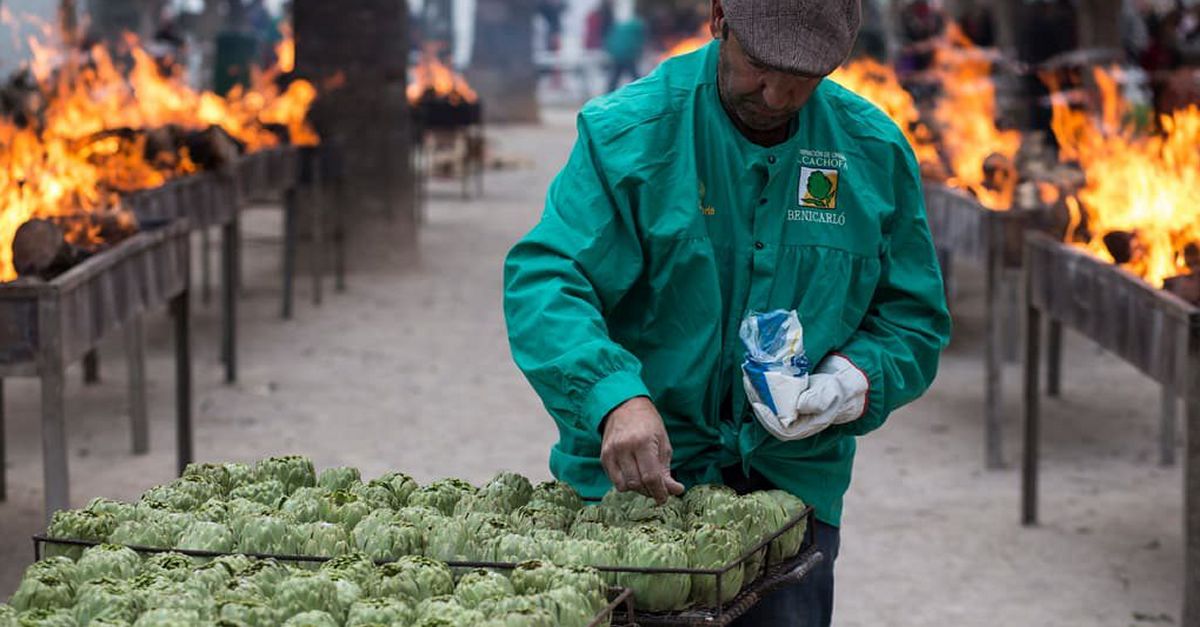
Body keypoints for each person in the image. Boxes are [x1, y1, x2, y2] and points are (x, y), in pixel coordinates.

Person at [503, 0, 951, 625]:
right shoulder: (629, 133)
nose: (776, 94)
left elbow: (913, 319)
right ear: (719, 17)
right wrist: (613, 397)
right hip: (634, 492)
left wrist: (851, 380)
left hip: (791, 496)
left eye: (806, 75)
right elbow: (546, 280)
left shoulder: (873, 152)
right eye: (760, 65)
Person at [603, 11, 646, 92]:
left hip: (618, 54)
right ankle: (641, 90)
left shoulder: (618, 27)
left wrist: (611, 51)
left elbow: (609, 40)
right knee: (633, 75)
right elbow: (639, 42)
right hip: (627, 55)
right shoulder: (636, 29)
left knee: (616, 76)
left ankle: (608, 93)